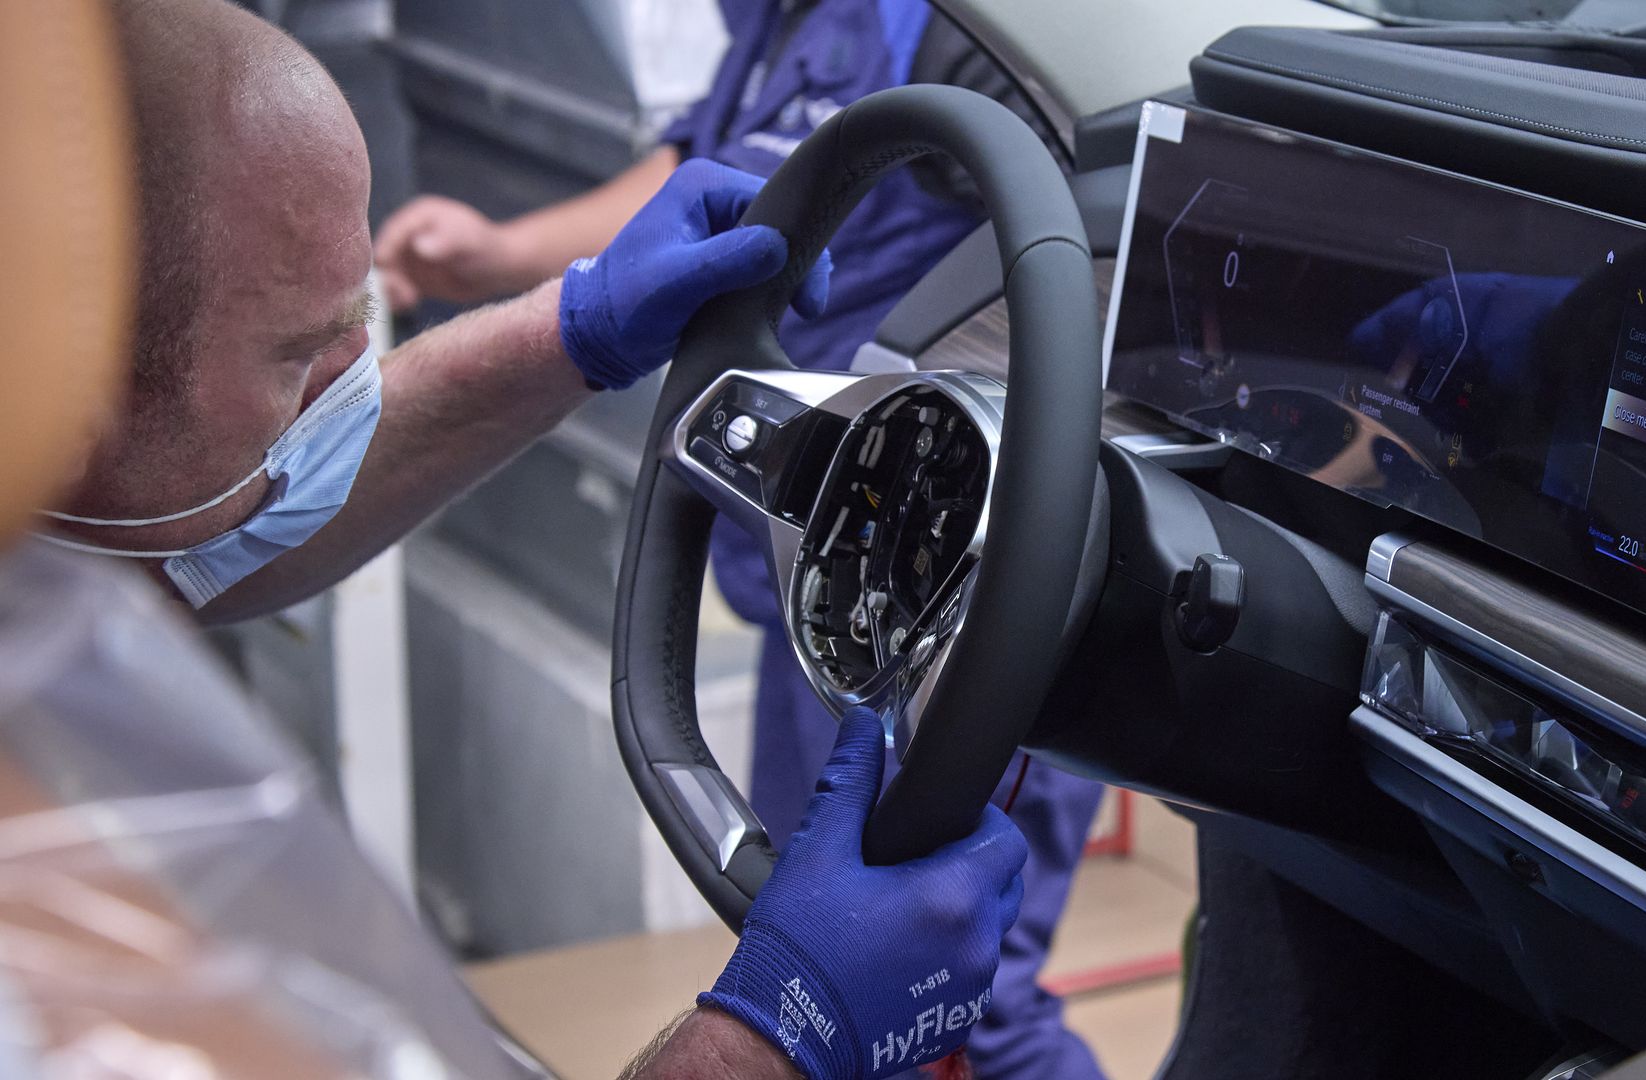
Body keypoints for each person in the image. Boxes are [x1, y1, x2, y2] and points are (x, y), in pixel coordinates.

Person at [15, 0, 1028, 1076]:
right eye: (297, 359)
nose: (355, 380)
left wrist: (576, 327)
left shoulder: (45, 551)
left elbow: (211, 535)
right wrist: (780, 1030)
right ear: (64, 398)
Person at [375, 6, 1108, 1078]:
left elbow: (1097, 248)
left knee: (967, 1012)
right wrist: (501, 257)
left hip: (960, 621)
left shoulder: (978, 33)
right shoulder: (773, 20)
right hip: (821, 608)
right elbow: (719, 179)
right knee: (787, 927)